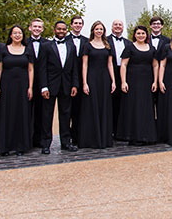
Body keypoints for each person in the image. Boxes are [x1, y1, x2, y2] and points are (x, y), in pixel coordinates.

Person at [38, 20, 79, 153]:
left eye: (63, 29)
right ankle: (45, 144)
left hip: (66, 85)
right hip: (50, 86)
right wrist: (43, 86)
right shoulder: (46, 46)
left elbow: (74, 68)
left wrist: (74, 84)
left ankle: (66, 142)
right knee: (47, 115)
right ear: (54, 30)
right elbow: (42, 68)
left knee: (66, 114)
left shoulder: (71, 46)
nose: (61, 31)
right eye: (59, 29)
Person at [0, 25, 34, 156]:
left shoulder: (28, 50)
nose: (17, 35)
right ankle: (5, 147)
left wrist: (30, 87)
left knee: (21, 114)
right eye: (14, 33)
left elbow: (30, 69)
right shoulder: (3, 50)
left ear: (23, 35)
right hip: (6, 86)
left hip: (22, 86)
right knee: (6, 114)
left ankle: (20, 146)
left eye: (20, 33)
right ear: (10, 35)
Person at [118, 25, 159, 144]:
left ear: (147, 35)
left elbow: (155, 65)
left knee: (146, 107)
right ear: (134, 35)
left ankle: (147, 135)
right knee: (134, 107)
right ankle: (134, 135)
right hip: (132, 81)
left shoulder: (152, 48)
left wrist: (155, 81)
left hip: (147, 81)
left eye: (143, 33)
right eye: (138, 33)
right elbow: (124, 65)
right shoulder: (129, 48)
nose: (141, 35)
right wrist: (123, 81)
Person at [78, 21, 116, 148]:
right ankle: (92, 139)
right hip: (92, 78)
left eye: (101, 29)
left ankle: (104, 138)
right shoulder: (87, 45)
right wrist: (84, 83)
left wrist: (113, 81)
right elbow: (84, 64)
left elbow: (110, 64)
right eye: (97, 29)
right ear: (93, 30)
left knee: (104, 106)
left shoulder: (107, 45)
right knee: (91, 106)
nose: (99, 31)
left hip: (104, 78)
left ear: (104, 31)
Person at [108, 19, 131, 137]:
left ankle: (121, 130)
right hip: (109, 74)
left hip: (124, 74)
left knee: (123, 102)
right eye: (115, 24)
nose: (118, 27)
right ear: (111, 27)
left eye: (120, 25)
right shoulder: (105, 41)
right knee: (110, 102)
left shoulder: (128, 43)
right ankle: (110, 130)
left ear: (123, 27)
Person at [26, 18, 46, 148]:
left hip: (43, 81)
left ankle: (39, 139)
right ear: (30, 28)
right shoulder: (24, 43)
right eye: (35, 26)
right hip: (26, 81)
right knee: (26, 111)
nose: (37, 29)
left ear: (42, 29)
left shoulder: (48, 44)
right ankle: (26, 140)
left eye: (39, 27)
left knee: (41, 111)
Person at [67, 15, 87, 146]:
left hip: (82, 78)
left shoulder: (87, 41)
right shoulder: (65, 39)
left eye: (80, 23)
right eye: (76, 23)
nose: (78, 25)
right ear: (71, 25)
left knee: (80, 108)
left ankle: (78, 136)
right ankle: (66, 137)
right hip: (67, 79)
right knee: (67, 109)